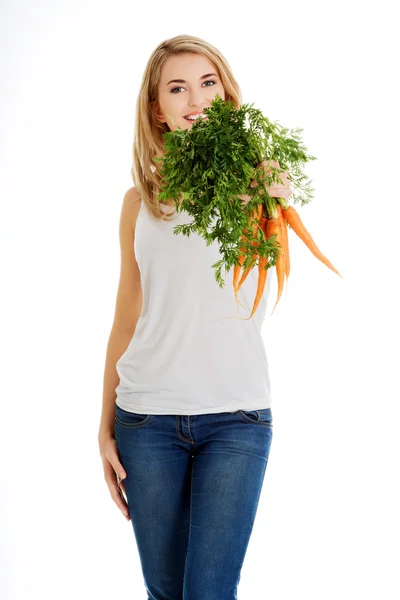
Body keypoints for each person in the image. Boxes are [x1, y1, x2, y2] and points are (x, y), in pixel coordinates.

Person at [98, 34, 292, 600]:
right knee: (165, 593)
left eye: (208, 83)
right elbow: (125, 321)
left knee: (208, 593)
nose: (195, 98)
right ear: (158, 110)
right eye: (177, 88)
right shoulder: (139, 204)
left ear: (226, 93)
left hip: (236, 421)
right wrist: (104, 425)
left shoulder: (259, 185)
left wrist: (264, 185)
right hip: (145, 422)